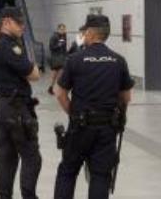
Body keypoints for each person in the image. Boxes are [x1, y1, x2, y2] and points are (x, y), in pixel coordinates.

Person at [52, 15, 134, 199]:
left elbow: (59, 92)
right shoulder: (118, 61)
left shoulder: (75, 59)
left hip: (80, 127)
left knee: (68, 171)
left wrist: (73, 113)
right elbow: (126, 96)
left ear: (90, 33)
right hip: (106, 128)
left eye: (84, 32)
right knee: (100, 175)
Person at [0, 7, 41, 199]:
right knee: (32, 157)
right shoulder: (9, 46)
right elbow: (34, 74)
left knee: (7, 156)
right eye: (19, 23)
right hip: (15, 107)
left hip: (5, 104)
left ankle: (5, 196)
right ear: (6, 22)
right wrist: (31, 64)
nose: (23, 27)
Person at [47, 24, 70, 96]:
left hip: (61, 57)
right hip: (56, 58)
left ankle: (52, 87)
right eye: (61, 29)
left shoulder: (63, 36)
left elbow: (64, 47)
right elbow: (51, 47)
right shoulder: (54, 37)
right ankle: (57, 88)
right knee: (59, 73)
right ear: (58, 29)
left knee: (57, 73)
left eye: (64, 29)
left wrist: (66, 54)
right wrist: (59, 45)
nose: (63, 30)